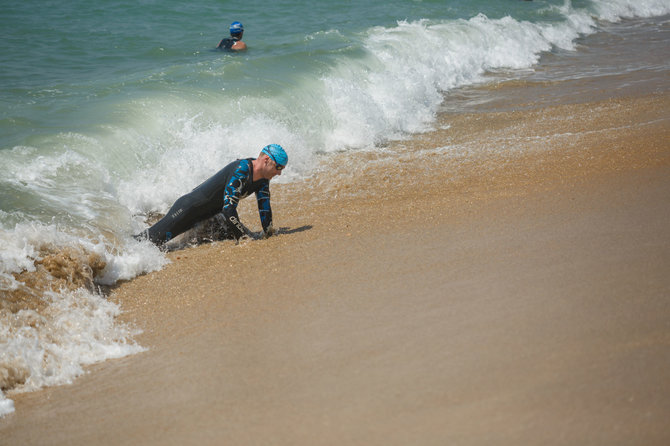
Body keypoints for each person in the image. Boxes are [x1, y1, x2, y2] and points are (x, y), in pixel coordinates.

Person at [137, 144, 287, 246]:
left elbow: (264, 207)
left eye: (282, 169)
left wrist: (268, 232)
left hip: (211, 217)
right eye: (278, 167)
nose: (279, 173)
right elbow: (229, 208)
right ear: (266, 160)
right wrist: (242, 238)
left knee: (251, 237)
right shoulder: (242, 169)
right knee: (150, 242)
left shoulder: (263, 180)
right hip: (188, 209)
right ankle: (122, 253)